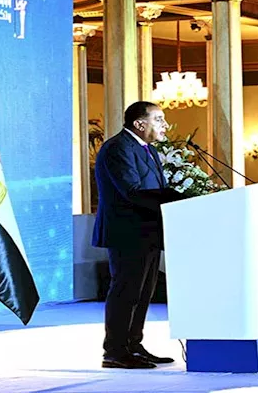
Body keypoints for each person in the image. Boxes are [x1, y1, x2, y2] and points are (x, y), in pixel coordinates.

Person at [92, 101, 176, 369]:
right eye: (159, 119)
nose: (165, 125)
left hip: (147, 231)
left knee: (143, 293)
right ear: (139, 124)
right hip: (127, 232)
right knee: (126, 292)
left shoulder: (147, 149)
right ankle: (115, 351)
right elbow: (131, 191)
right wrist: (177, 198)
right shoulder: (118, 148)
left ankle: (133, 345)